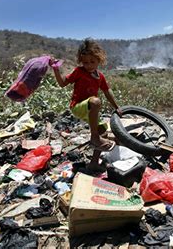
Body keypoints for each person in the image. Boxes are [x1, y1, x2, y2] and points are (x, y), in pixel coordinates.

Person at [51, 38, 122, 171]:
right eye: (85, 62)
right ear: (80, 61)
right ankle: (94, 137)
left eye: (92, 62)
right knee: (95, 101)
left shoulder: (100, 77)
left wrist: (117, 107)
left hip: (89, 109)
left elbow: (107, 92)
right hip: (77, 107)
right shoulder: (79, 71)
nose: (88, 65)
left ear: (99, 60)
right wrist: (55, 69)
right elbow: (62, 83)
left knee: (103, 132)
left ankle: (94, 163)